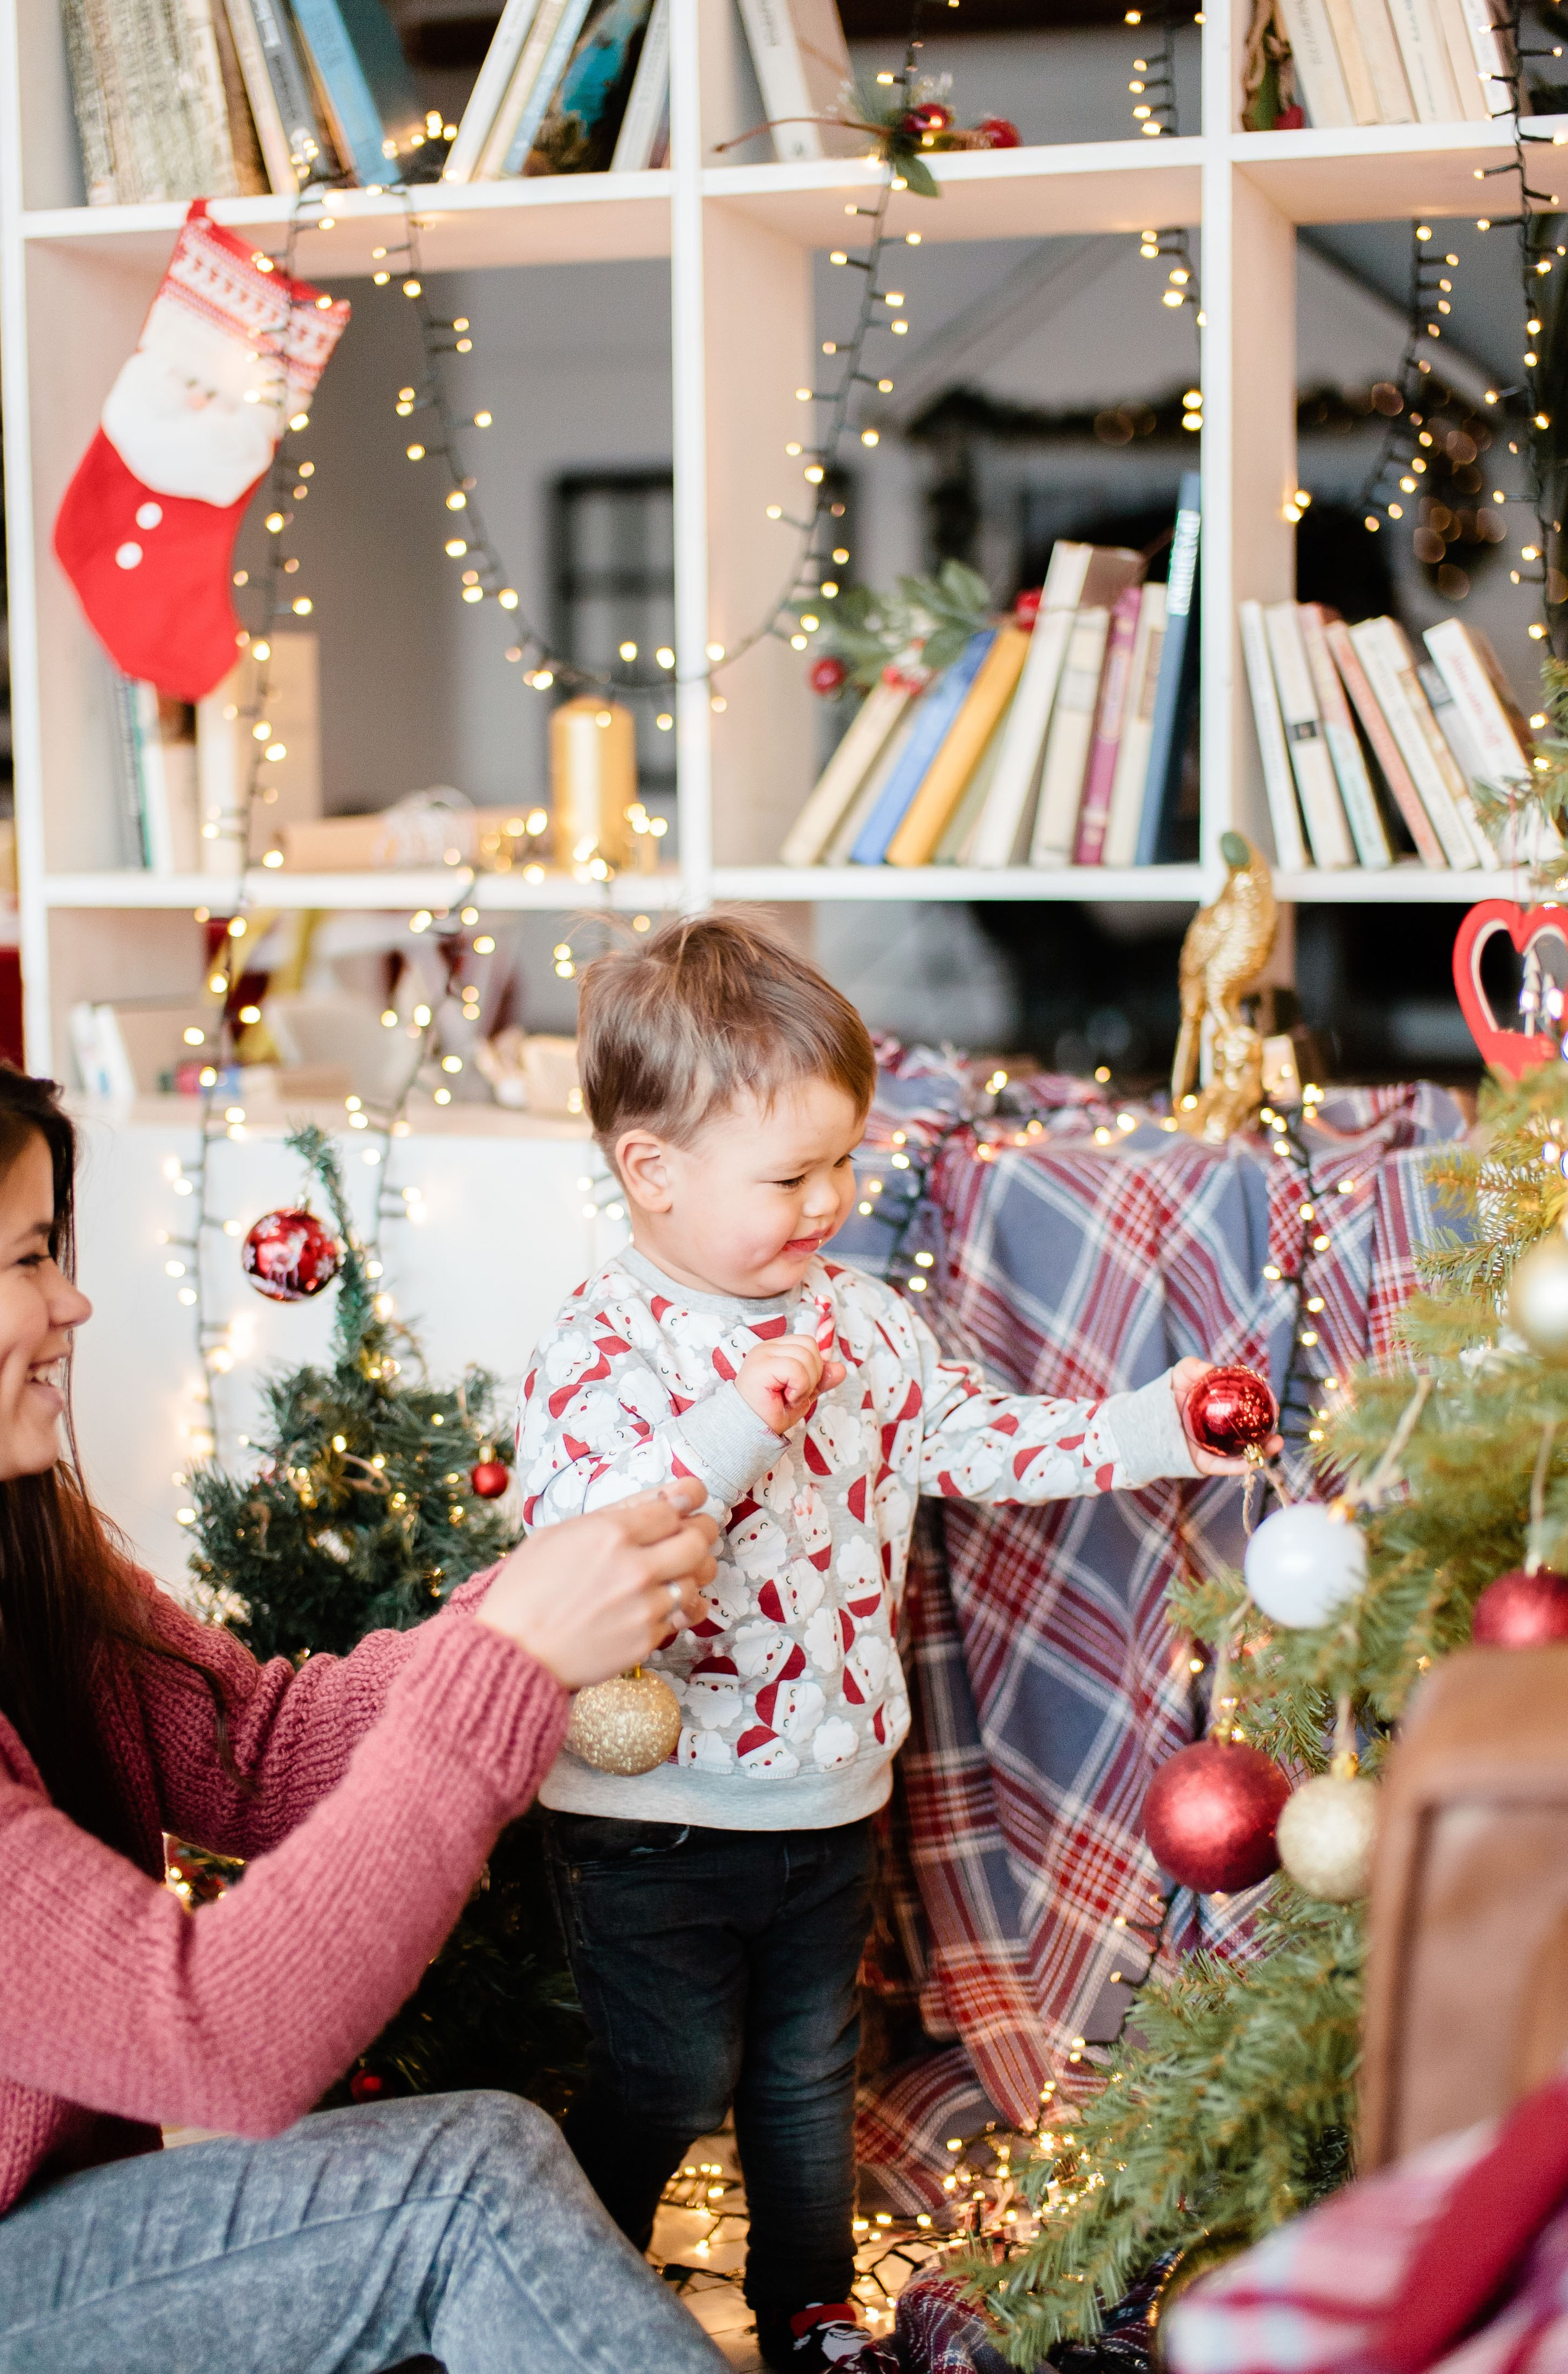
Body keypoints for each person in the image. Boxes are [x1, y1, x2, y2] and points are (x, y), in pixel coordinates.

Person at [517, 913, 1279, 2372]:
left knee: (807, 2076)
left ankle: (808, 2310)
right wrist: (745, 1414)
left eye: (842, 1164)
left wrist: (1148, 1427)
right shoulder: (606, 1340)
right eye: (789, 1177)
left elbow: (969, 1436)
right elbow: (590, 1528)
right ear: (652, 1173)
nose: (829, 1201)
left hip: (828, 1793)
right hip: (653, 1813)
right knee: (670, 2074)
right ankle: (562, 2291)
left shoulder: (859, 1319)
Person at [0, 1053, 729, 2374]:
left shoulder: (26, 1566)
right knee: (462, 2187)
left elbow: (264, 1752)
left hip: (51, 2232)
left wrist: (533, 1607)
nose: (74, 1300)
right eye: (30, 1257)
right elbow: (220, 2036)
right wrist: (507, 1661)